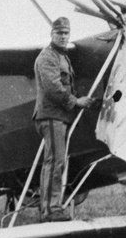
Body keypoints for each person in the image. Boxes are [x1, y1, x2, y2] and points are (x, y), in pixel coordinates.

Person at [33, 17, 95, 222]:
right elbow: (52, 88)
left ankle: (50, 208)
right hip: (51, 115)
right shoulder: (47, 57)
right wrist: (76, 101)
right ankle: (51, 210)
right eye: (59, 33)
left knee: (57, 160)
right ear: (52, 34)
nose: (63, 37)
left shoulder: (62, 57)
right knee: (55, 161)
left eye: (66, 33)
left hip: (59, 116)